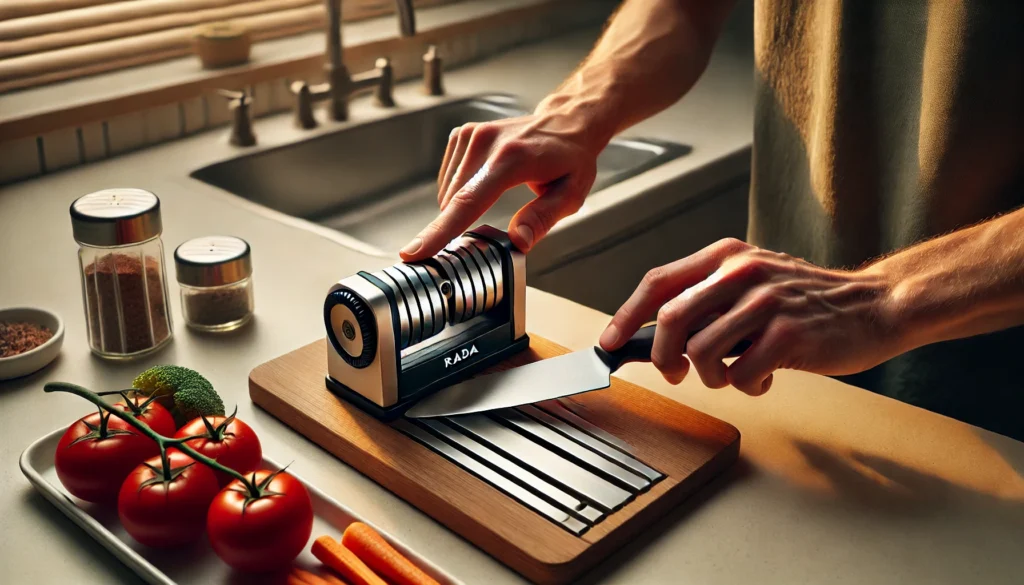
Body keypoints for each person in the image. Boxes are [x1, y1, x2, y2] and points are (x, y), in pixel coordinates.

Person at [400, 0, 1024, 440]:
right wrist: (577, 108)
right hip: (787, 340)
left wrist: (883, 299)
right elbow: (686, 6)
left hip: (988, 394)